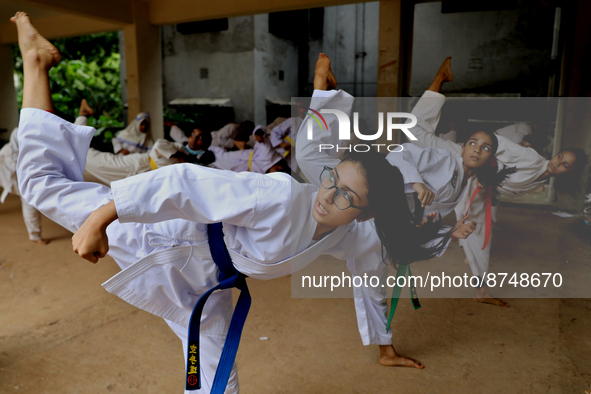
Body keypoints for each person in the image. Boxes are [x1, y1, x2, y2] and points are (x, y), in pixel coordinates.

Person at [12, 13, 451, 393]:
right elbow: (187, 181)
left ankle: (36, 66)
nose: (327, 194)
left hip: (212, 284)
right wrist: (106, 216)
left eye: (346, 197)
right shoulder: (281, 196)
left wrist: (385, 346)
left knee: (216, 380)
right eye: (332, 181)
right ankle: (35, 62)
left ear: (367, 213)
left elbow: (366, 273)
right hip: (168, 232)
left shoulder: (357, 236)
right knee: (39, 185)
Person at [297, 54, 515, 368]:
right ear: (464, 146)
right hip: (371, 190)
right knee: (310, 160)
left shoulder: (465, 185)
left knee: (373, 286)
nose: (476, 149)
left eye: (484, 148)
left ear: (490, 158)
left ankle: (386, 352)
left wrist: (451, 231)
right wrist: (416, 183)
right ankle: (324, 93)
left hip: (380, 223)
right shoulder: (445, 161)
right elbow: (401, 153)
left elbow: (426, 227)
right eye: (472, 142)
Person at [407, 57, 588, 307]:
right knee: (413, 132)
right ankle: (440, 78)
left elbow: (508, 183)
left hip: (478, 189)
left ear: (568, 173)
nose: (558, 163)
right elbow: (495, 142)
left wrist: (489, 181)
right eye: (560, 157)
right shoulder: (529, 157)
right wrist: (485, 164)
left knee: (480, 237)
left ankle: (480, 291)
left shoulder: (539, 175)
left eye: (565, 164)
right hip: (467, 160)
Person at [0, 126, 48, 244]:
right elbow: (15, 154)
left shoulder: (48, 129)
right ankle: (35, 235)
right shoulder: (20, 129)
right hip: (7, 163)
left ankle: (35, 236)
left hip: (23, 166)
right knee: (28, 197)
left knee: (28, 198)